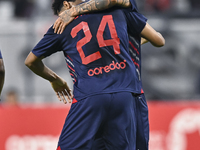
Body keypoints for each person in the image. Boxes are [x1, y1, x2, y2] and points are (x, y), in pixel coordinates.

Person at [25, 0, 163, 150]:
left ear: (66, 5)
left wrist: (55, 79)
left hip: (90, 95)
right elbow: (158, 40)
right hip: (126, 92)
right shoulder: (119, 10)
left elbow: (31, 61)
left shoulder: (62, 25)